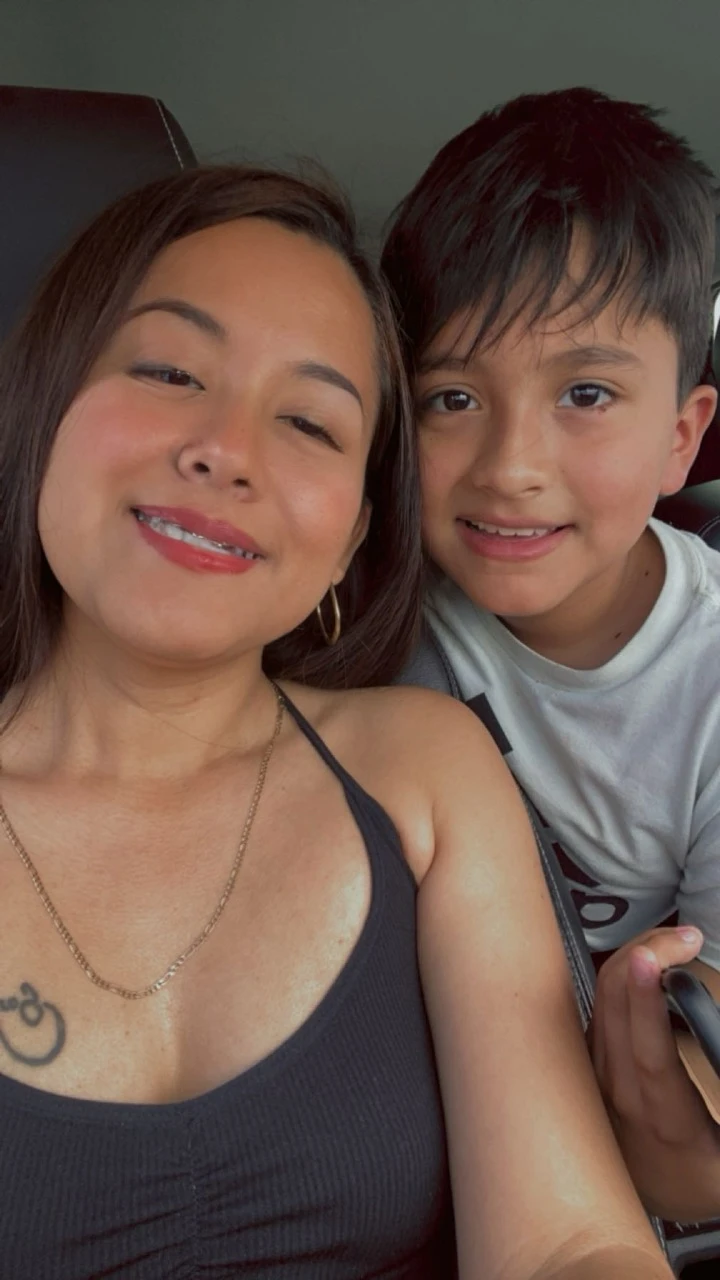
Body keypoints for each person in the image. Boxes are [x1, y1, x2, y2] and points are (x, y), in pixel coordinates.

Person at [0, 161, 673, 1280]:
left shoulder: (423, 766)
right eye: (169, 369)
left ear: (357, 532)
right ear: (44, 398)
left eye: (310, 421)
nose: (226, 449)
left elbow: (569, 1242)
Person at [382, 86, 720, 1224]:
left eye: (585, 392)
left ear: (683, 433)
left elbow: (694, 1171)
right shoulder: (362, 609)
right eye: (453, 396)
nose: (512, 465)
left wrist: (669, 1131)